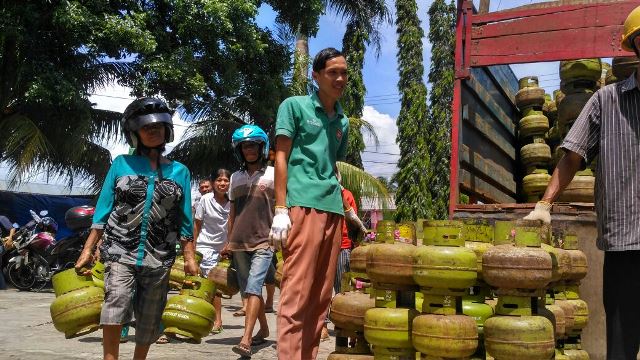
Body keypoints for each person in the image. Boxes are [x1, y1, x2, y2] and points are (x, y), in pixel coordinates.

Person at [523, 6, 640, 359]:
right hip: (625, 246)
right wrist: (545, 204)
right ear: (636, 46)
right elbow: (572, 156)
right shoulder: (607, 101)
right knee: (621, 348)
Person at [74, 97, 198, 360]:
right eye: (146, 127)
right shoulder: (121, 164)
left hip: (160, 256)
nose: (153, 131)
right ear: (134, 133)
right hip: (119, 249)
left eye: (158, 127)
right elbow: (103, 210)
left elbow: (185, 218)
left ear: (167, 131)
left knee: (150, 316)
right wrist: (88, 249)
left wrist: (189, 257)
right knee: (116, 302)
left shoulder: (180, 171)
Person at [271, 47, 357, 359]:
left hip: (333, 210)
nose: (340, 78)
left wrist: (347, 210)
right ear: (316, 76)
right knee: (297, 292)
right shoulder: (294, 106)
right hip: (301, 206)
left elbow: (333, 166)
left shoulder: (343, 122)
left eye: (344, 72)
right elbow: (281, 155)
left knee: (321, 298)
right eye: (333, 72)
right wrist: (281, 208)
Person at [226, 125, 275, 358]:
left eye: (253, 145)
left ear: (262, 147)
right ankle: (264, 329)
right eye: (245, 146)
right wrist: (228, 241)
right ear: (240, 150)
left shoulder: (274, 174)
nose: (250, 150)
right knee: (248, 290)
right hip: (239, 242)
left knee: (254, 286)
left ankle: (245, 339)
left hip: (265, 241)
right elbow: (232, 213)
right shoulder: (235, 178)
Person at [195, 169, 231, 334]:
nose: (222, 183)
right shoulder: (205, 200)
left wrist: (230, 245)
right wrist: (192, 248)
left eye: (226, 180)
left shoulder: (234, 202)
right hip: (205, 246)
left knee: (217, 285)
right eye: (219, 180)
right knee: (210, 283)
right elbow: (197, 224)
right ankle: (216, 320)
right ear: (213, 182)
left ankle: (214, 319)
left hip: (224, 249)